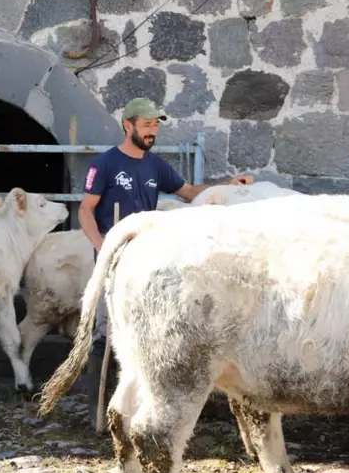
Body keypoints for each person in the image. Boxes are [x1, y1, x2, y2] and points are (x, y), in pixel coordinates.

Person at [78, 97, 253, 431]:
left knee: (145, 333)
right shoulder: (104, 165)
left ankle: (140, 410)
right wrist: (103, 247)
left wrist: (226, 186)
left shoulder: (155, 166)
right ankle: (98, 414)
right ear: (127, 124)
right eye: (146, 125)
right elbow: (86, 210)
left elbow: (188, 192)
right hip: (113, 256)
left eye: (155, 125)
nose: (151, 131)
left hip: (145, 260)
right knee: (104, 333)